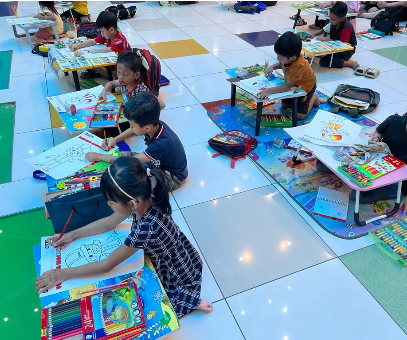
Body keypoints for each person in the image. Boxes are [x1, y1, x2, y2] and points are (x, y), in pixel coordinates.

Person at [35, 157, 213, 319]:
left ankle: (193, 301)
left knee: (148, 304)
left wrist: (62, 274)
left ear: (132, 203)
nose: (109, 205)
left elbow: (107, 264)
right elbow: (109, 222)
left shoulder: (145, 228)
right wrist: (71, 235)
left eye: (111, 202)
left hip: (175, 269)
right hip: (176, 249)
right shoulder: (147, 193)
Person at [86, 92, 187, 192]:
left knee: (135, 182)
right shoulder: (154, 125)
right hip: (157, 161)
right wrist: (115, 139)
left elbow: (130, 162)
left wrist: (100, 156)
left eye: (132, 125)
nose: (131, 128)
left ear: (147, 128)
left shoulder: (160, 144)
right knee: (126, 156)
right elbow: (134, 131)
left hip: (172, 175)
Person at [316, 113, 407, 210]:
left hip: (398, 178)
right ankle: (355, 179)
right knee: (321, 165)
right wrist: (375, 139)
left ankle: (394, 190)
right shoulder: (394, 120)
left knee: (359, 196)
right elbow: (379, 131)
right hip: (377, 160)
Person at [257, 31, 320, 120]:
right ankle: (301, 100)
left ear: (293, 58)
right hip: (294, 85)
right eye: (277, 55)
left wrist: (269, 91)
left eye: (280, 57)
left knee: (299, 116)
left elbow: (287, 87)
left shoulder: (298, 65)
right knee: (285, 105)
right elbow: (282, 63)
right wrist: (273, 66)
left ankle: (314, 97)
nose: (278, 58)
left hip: (306, 87)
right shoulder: (290, 57)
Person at [70, 11, 130, 78]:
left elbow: (105, 50)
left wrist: (85, 53)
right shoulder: (108, 34)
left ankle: (111, 77)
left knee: (90, 62)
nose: (101, 33)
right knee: (91, 60)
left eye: (102, 31)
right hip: (113, 63)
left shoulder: (119, 41)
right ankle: (105, 74)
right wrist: (77, 46)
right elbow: (93, 41)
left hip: (121, 69)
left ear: (111, 30)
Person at [98, 49, 165, 108]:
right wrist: (104, 92)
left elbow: (162, 104)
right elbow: (112, 83)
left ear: (136, 75)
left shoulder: (141, 91)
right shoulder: (126, 81)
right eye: (118, 72)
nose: (120, 77)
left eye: (125, 74)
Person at [313, 2, 359, 70]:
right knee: (317, 51)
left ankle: (349, 63)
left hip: (345, 50)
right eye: (330, 18)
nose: (330, 21)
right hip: (335, 47)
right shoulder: (334, 22)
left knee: (323, 62)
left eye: (333, 20)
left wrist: (328, 39)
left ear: (342, 19)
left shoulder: (346, 27)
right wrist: (312, 35)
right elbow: (322, 30)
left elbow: (343, 44)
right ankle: (328, 55)